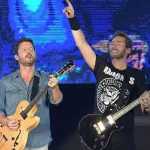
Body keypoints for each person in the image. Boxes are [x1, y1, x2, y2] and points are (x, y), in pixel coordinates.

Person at [63, 0, 150, 150]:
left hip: (124, 140)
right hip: (98, 136)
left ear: (128, 50)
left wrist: (147, 105)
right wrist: (72, 19)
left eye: (118, 43)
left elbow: (145, 107)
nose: (113, 45)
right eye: (112, 43)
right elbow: (82, 44)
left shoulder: (137, 75)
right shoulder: (101, 65)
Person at [0, 37, 63, 150]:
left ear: (35, 55)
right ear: (16, 57)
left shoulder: (46, 78)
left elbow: (56, 101)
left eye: (31, 49)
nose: (28, 51)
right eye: (23, 50)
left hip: (39, 141)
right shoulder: (5, 81)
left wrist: (55, 87)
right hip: (11, 140)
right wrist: (6, 121)